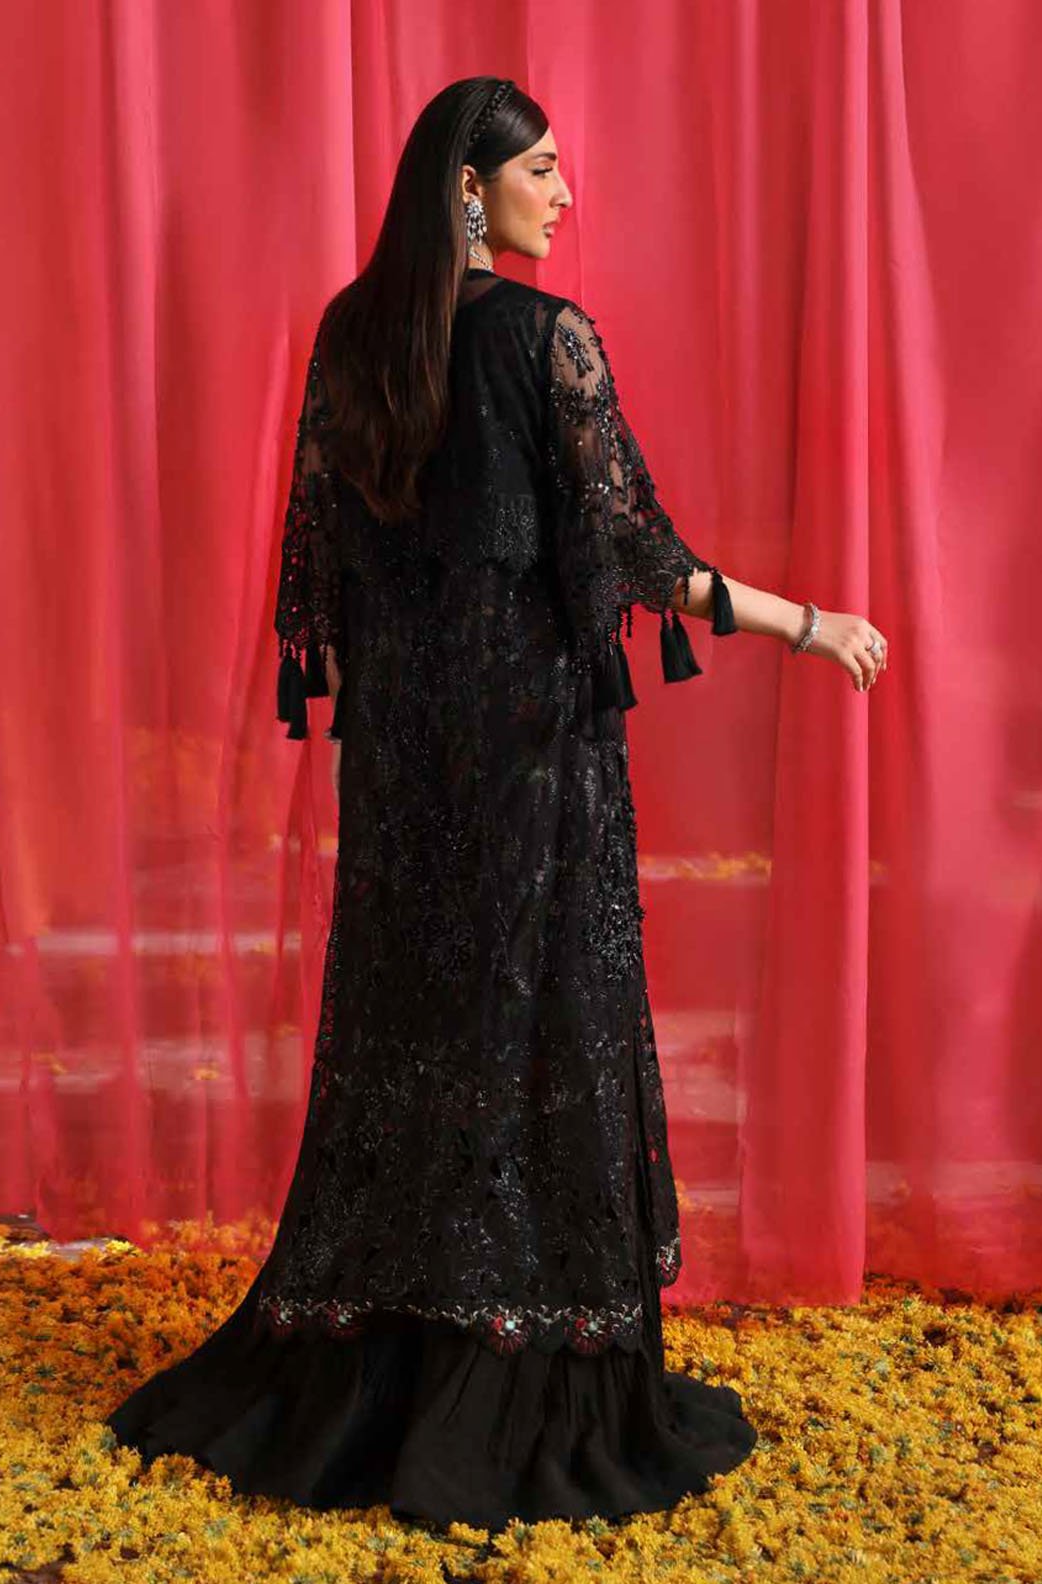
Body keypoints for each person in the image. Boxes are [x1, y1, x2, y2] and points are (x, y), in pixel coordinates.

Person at [105, 76, 888, 1533]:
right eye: (542, 170)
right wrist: (808, 622)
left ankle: (390, 1362)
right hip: (531, 754)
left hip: (405, 760)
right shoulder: (545, 338)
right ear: (468, 188)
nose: (565, 194)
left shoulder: (352, 336)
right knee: (535, 1030)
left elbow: (326, 566)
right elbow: (635, 549)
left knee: (409, 1032)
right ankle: (527, 1373)